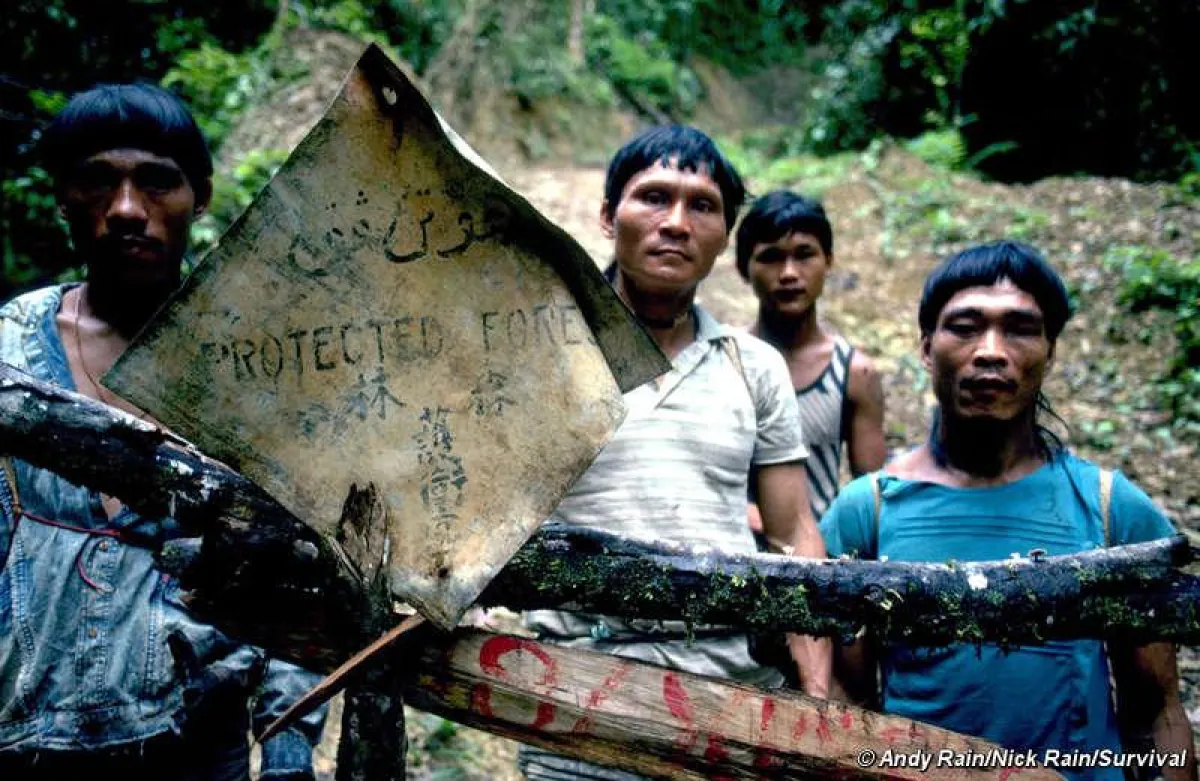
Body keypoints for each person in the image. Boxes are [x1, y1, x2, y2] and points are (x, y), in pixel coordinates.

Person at [0, 83, 324, 781]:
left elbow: (296, 565)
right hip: (28, 736)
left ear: (198, 198)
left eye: (156, 182)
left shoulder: (255, 362)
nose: (125, 209)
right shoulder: (9, 354)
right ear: (62, 197)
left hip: (200, 742)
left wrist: (290, 739)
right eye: (96, 182)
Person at [518, 125, 830, 781]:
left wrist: (816, 695)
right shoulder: (545, 350)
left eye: (703, 206)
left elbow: (791, 531)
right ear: (609, 216)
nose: (677, 223)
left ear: (725, 235)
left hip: (733, 700)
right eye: (654, 198)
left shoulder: (755, 367)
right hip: (578, 699)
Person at [820, 241, 1196, 780]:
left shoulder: (1113, 508)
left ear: (1051, 351)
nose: (991, 350)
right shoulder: (868, 510)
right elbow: (848, 708)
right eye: (965, 327)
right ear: (927, 348)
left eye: (1019, 328)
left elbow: (1156, 711)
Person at [737, 191, 886, 531]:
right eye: (771, 257)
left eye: (804, 255)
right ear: (744, 268)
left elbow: (873, 496)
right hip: (731, 553)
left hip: (818, 560)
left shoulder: (853, 373)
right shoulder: (726, 360)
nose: (789, 273)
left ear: (828, 261)